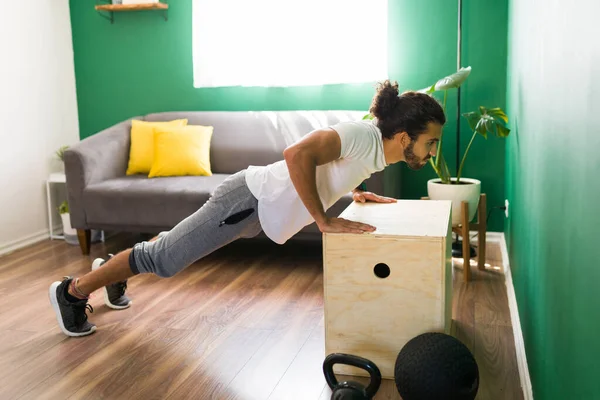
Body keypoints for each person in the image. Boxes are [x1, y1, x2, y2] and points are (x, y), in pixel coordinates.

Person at [48, 80, 445, 337]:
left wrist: (355, 191)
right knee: (165, 258)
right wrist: (323, 220)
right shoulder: (361, 134)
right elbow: (297, 155)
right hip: (246, 201)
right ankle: (72, 291)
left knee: (165, 249)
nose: (432, 151)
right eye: (431, 141)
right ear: (405, 136)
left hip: (257, 211)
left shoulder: (378, 150)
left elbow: (335, 167)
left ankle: (112, 270)